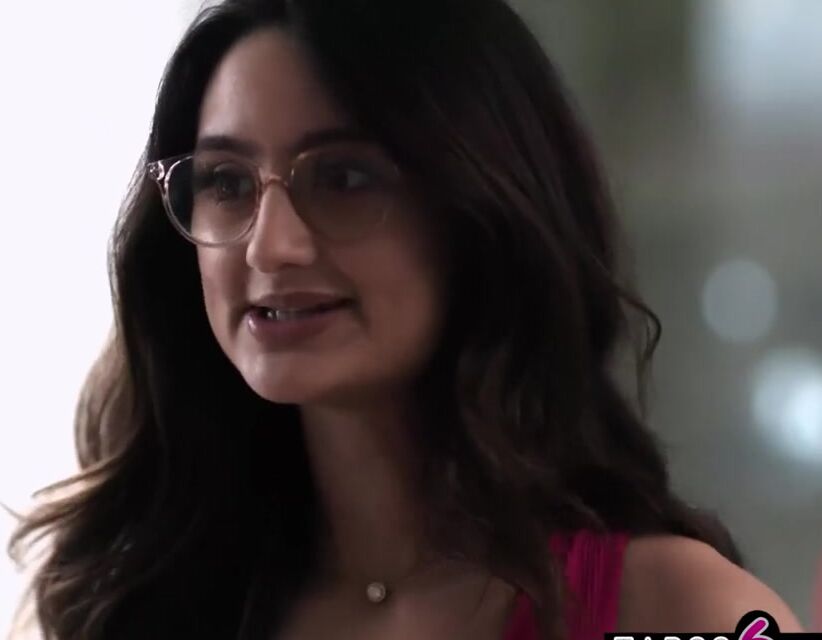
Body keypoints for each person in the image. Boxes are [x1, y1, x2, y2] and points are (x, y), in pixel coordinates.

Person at [8, 0, 802, 638]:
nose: (271, 245)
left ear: (481, 211)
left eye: (344, 178)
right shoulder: (144, 603)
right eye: (225, 181)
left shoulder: (677, 612)